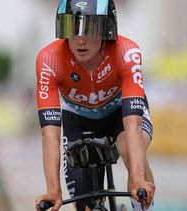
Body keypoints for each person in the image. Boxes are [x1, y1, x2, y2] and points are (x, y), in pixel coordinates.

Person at [34, 0, 156, 210]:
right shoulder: (49, 59)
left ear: (106, 30)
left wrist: (137, 179)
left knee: (130, 151)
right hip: (78, 119)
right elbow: (50, 133)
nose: (80, 39)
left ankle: (142, 206)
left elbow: (133, 124)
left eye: (89, 28)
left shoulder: (126, 52)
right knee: (84, 203)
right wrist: (53, 190)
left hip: (120, 113)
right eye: (73, 27)